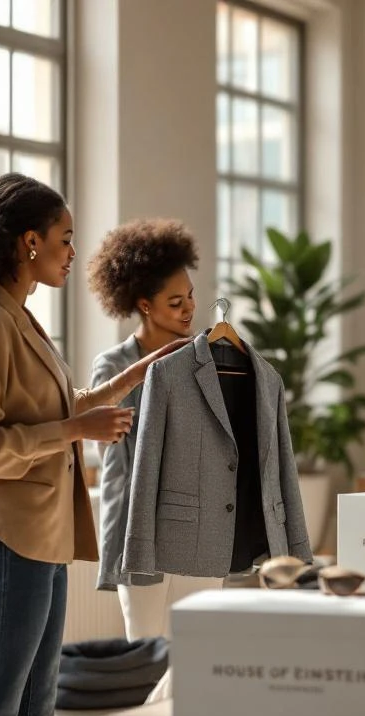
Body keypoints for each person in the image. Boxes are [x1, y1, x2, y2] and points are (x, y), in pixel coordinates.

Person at [0, 173, 186, 716]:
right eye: (65, 239)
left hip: (39, 541)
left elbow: (52, 404)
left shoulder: (16, 315)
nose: (74, 253)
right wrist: (76, 431)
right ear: (29, 243)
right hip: (5, 544)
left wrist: (129, 378)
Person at [86, 218, 223, 642]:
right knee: (146, 648)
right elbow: (117, 459)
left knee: (199, 653)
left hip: (201, 527)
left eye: (191, 296)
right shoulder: (113, 368)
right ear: (145, 305)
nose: (189, 309)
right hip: (141, 529)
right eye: (175, 301)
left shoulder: (212, 359)